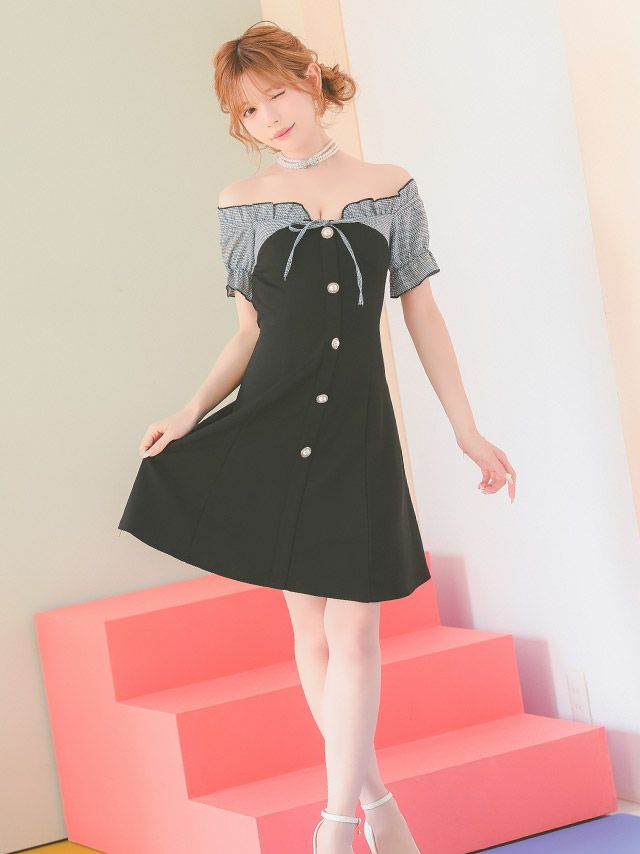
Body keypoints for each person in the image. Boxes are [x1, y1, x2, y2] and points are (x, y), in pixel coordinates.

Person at [118, 20, 517, 854]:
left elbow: (422, 312)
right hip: (272, 424)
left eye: (277, 95)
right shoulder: (240, 204)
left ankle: (336, 823)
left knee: (356, 629)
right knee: (310, 631)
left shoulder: (390, 188)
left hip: (356, 433)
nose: (269, 118)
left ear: (309, 79)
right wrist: (190, 411)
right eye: (249, 110)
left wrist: (467, 429)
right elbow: (249, 333)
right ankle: (371, 806)